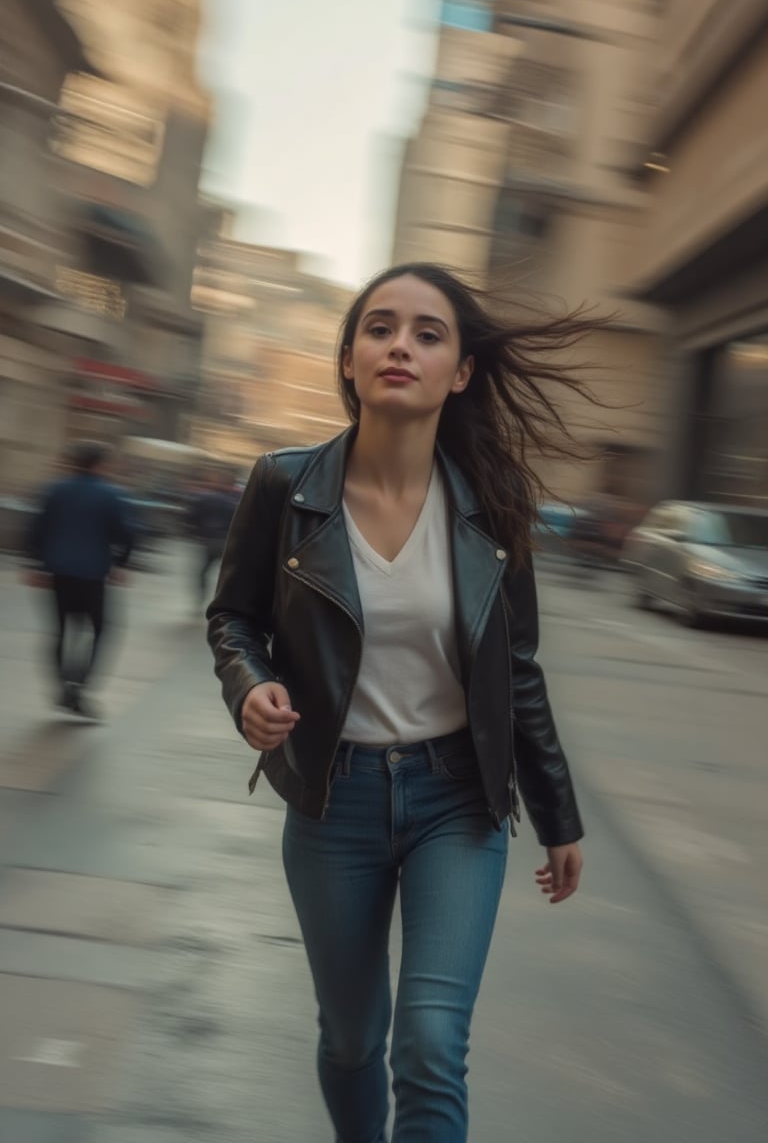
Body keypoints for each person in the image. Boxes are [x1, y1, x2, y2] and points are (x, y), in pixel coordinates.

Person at [207, 262, 590, 1142]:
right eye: (379, 328)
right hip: (331, 799)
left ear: (459, 372)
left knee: (427, 1041)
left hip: (458, 800)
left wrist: (557, 813)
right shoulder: (285, 486)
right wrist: (249, 687)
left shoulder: (494, 507)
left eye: (428, 333)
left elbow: (517, 667)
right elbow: (233, 615)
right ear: (348, 359)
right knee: (351, 1039)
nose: (400, 347)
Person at [26, 440, 133, 717]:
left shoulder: (54, 489)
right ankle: (79, 683)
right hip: (93, 572)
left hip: (58, 571)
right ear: (100, 465)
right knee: (100, 628)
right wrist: (121, 563)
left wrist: (36, 565)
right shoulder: (112, 494)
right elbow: (125, 533)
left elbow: (36, 529)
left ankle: (64, 685)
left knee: (61, 629)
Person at [187, 467, 239, 612]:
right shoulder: (237, 501)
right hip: (229, 543)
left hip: (208, 541)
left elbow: (190, 516)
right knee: (228, 575)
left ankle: (200, 600)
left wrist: (197, 532)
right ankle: (224, 603)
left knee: (203, 571)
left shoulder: (204, 498)